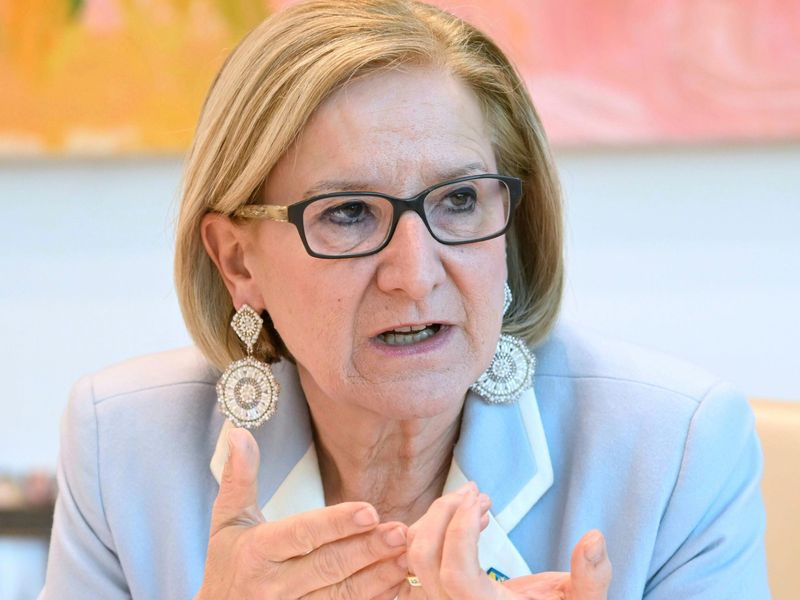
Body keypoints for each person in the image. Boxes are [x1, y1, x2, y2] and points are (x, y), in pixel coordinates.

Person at [40, 1, 770, 598]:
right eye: (349, 212)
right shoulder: (123, 444)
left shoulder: (675, 451)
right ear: (238, 260)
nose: (415, 275)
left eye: (460, 200)